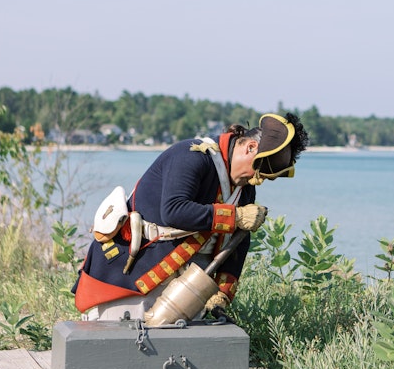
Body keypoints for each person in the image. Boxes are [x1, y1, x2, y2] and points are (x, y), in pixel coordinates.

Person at [72, 112, 308, 323]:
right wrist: (234, 216)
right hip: (132, 270)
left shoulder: (244, 187)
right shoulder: (193, 156)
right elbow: (174, 210)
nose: (258, 181)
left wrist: (223, 292)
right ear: (249, 148)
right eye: (259, 172)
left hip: (186, 286)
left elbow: (238, 241)